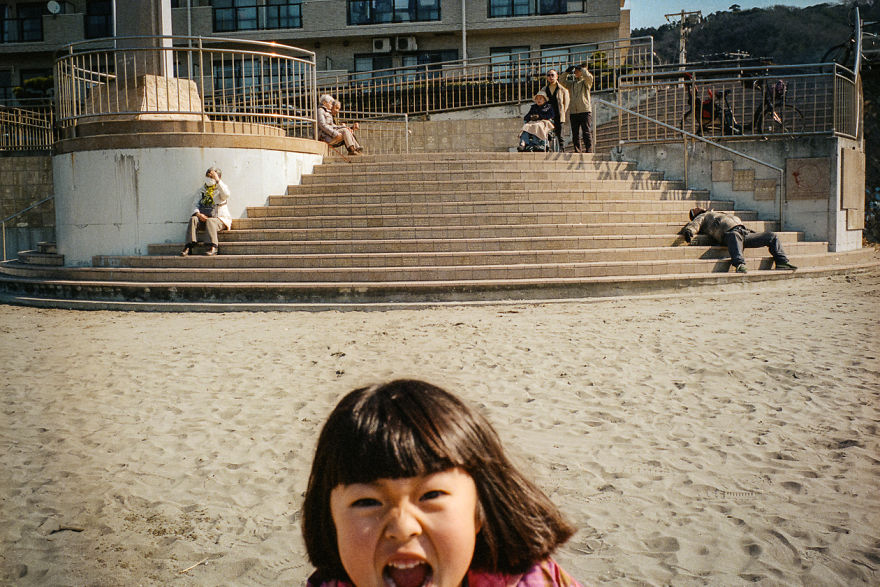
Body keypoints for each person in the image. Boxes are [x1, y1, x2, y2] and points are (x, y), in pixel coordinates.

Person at [302, 379, 583, 587]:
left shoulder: (538, 582)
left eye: (431, 495)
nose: (403, 528)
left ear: (479, 512)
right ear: (331, 522)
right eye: (367, 502)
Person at [682, 207, 797, 273]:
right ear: (695, 214)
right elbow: (695, 224)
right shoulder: (703, 216)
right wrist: (689, 230)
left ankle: (781, 261)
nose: (697, 207)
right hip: (729, 234)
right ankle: (739, 264)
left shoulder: (716, 212)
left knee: (772, 236)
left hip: (744, 233)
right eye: (694, 209)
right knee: (734, 235)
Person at [179, 167, 231, 257]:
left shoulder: (221, 188)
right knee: (193, 219)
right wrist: (198, 214)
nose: (209, 179)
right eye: (208, 176)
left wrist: (217, 180)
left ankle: (213, 247)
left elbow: (226, 195)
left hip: (219, 219)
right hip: (204, 218)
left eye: (211, 177)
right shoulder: (202, 190)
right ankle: (188, 246)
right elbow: (195, 204)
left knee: (210, 221)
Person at [558, 64, 594, 153]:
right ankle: (577, 150)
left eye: (578, 71)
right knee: (575, 133)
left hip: (585, 110)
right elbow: (561, 82)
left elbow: (589, 77)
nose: (575, 73)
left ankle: (589, 149)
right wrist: (566, 72)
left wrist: (582, 69)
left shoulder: (586, 83)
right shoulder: (572, 84)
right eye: (575, 71)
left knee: (586, 131)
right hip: (573, 111)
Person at [541, 69, 570, 146]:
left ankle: (562, 148)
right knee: (547, 133)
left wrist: (562, 112)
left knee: (560, 134)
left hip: (558, 114)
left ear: (557, 76)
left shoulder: (563, 90)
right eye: (548, 75)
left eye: (552, 75)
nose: (550, 77)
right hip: (547, 114)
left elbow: (566, 103)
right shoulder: (544, 90)